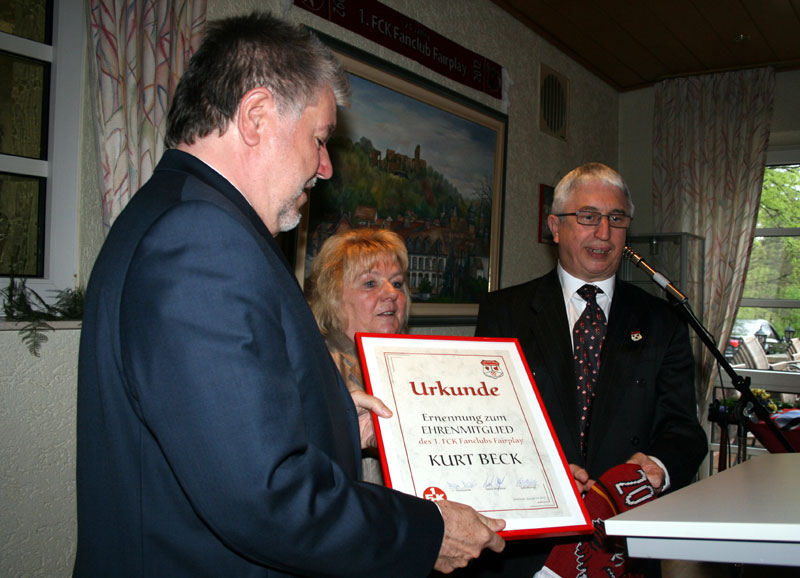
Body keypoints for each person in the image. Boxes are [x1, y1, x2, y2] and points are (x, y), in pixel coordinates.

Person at [73, 12, 505, 577]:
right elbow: (263, 496)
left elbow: (212, 426)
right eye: (319, 139)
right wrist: (428, 531)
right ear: (256, 116)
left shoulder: (174, 211)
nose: (325, 168)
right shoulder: (202, 239)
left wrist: (330, 414)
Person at [472, 162, 707, 576]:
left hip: (626, 540)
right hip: (528, 543)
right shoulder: (503, 312)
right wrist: (544, 472)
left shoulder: (662, 320)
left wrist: (657, 466)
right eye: (588, 217)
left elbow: (684, 430)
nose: (603, 233)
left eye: (616, 219)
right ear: (555, 227)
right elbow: (486, 425)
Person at [308, 227, 410, 484]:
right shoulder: (312, 370)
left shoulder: (419, 366)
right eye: (370, 283)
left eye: (397, 283)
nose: (391, 293)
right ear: (334, 297)